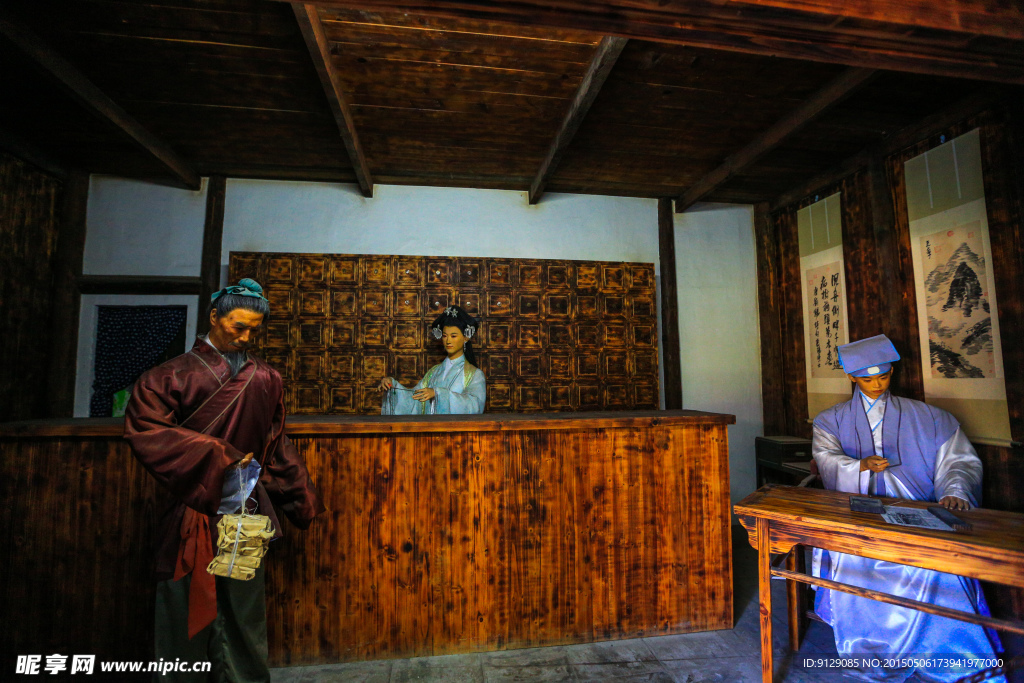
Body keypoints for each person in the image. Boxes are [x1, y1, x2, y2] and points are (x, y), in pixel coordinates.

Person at [124, 278, 325, 682]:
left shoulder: (266, 378)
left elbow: (275, 442)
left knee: (243, 610)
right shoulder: (168, 377)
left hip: (246, 508)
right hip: (190, 508)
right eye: (238, 327)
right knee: (183, 609)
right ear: (214, 317)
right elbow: (146, 431)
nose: (246, 337)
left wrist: (299, 493)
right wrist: (221, 455)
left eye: (254, 329)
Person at [811, 334, 1004, 683]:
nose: (876, 384)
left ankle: (945, 651)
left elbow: (957, 462)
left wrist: (955, 490)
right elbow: (826, 459)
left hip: (918, 512)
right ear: (852, 377)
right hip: (859, 514)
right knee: (855, 559)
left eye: (883, 377)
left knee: (938, 565)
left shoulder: (931, 417)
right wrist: (860, 467)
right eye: (867, 379)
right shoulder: (831, 420)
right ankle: (873, 644)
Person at [379, 305, 486, 415]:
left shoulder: (474, 374)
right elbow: (414, 398)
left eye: (453, 336)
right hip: (429, 430)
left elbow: (475, 405)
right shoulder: (434, 372)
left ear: (465, 337)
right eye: (444, 336)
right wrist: (393, 387)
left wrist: (438, 394)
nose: (448, 341)